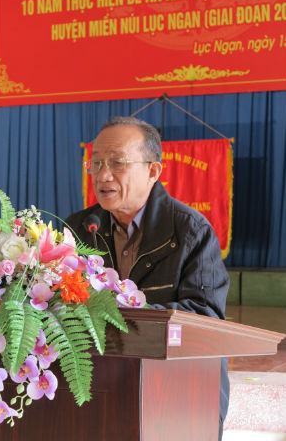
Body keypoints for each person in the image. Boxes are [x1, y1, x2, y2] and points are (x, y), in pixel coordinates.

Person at [65, 116, 229, 439]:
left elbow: (205, 318)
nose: (103, 175)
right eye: (95, 163)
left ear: (153, 171)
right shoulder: (81, 228)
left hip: (177, 388)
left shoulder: (190, 232)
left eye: (117, 163)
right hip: (100, 386)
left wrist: (119, 314)